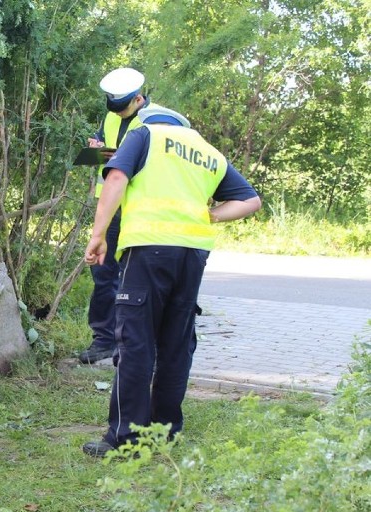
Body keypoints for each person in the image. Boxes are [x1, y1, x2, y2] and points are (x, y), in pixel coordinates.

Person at [81, 105, 261, 457]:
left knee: (135, 342)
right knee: (176, 344)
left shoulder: (145, 135)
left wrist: (99, 234)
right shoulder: (207, 151)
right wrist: (210, 214)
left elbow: (115, 177)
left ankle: (126, 440)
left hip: (149, 248)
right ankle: (165, 432)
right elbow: (250, 201)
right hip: (193, 254)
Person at [80, 67, 151, 365]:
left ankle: (130, 345)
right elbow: (98, 150)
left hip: (139, 207)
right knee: (103, 274)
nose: (118, 112)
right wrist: (94, 148)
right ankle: (104, 340)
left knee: (134, 278)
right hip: (109, 208)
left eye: (123, 107)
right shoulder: (111, 115)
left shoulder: (152, 122)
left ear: (137, 99)